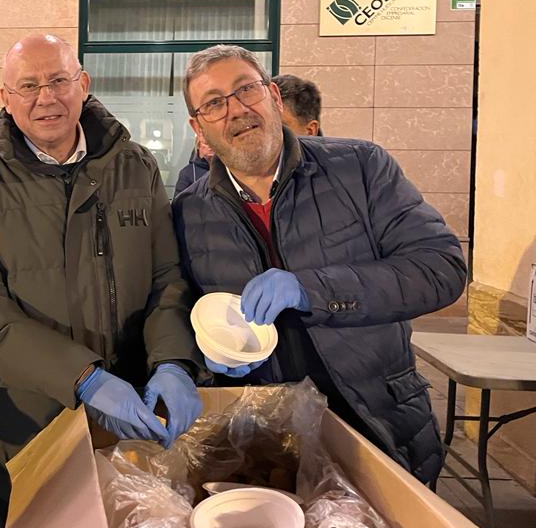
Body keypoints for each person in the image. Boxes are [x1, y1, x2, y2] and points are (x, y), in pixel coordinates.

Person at [0, 33, 203, 528]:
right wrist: (82, 378)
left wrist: (173, 361)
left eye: (59, 80)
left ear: (83, 84)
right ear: (6, 98)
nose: (46, 97)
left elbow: (166, 280)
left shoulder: (136, 166)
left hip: (131, 421)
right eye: (29, 86)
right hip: (25, 429)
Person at [172, 45, 466, 485]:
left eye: (245, 90)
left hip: (378, 425)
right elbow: (181, 308)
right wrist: (204, 361)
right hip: (265, 442)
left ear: (272, 95)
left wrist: (314, 289)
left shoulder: (360, 168)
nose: (235, 110)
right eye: (214, 103)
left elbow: (441, 269)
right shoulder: (188, 212)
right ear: (199, 127)